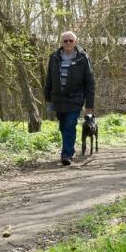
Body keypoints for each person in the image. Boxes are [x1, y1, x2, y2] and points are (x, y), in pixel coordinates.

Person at [44, 31, 95, 166]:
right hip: (59, 99)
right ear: (61, 42)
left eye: (70, 41)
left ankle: (66, 154)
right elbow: (49, 77)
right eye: (65, 41)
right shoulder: (54, 57)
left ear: (75, 42)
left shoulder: (83, 58)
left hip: (75, 98)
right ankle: (69, 150)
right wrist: (47, 95)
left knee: (70, 124)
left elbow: (90, 81)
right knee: (63, 126)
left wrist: (90, 104)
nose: (67, 43)